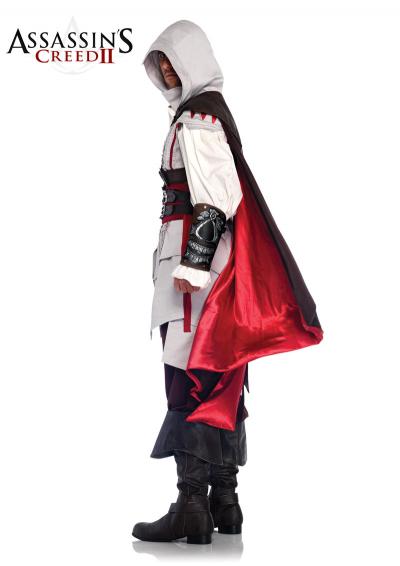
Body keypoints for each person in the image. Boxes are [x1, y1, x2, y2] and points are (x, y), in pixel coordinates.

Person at [132, 20, 323, 545]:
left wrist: (194, 264)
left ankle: (192, 506)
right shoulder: (202, 115)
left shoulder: (198, 120)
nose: (166, 70)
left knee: (191, 375)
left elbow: (217, 198)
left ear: (193, 59)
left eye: (172, 59)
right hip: (198, 265)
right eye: (160, 62)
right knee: (220, 374)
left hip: (194, 272)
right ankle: (225, 501)